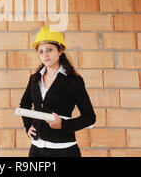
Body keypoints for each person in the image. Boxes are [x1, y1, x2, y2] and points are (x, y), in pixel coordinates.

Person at [19, 26, 96, 157]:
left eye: (50, 50)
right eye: (41, 51)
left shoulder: (73, 81)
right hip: (36, 150)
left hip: (64, 151)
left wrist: (63, 125)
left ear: (60, 51)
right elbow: (24, 105)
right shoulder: (34, 79)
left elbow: (89, 118)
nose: (45, 55)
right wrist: (28, 127)